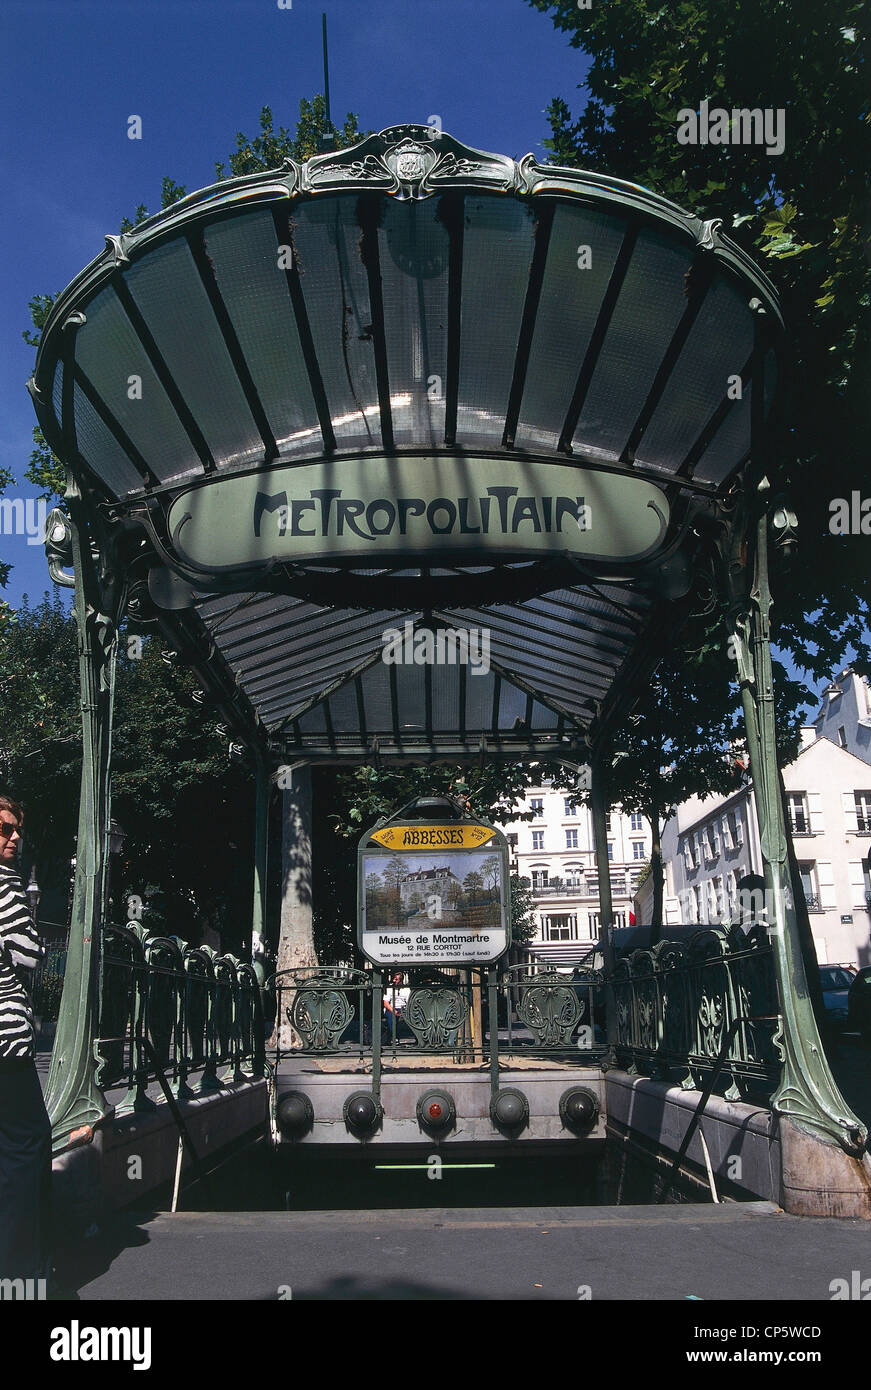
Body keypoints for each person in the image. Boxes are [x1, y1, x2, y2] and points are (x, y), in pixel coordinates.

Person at [0, 795, 53, 1282]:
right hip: (5, 1039)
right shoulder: (4, 884)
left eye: (15, 829)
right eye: (3, 829)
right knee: (27, 1144)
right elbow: (29, 955)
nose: (13, 837)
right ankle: (19, 1274)